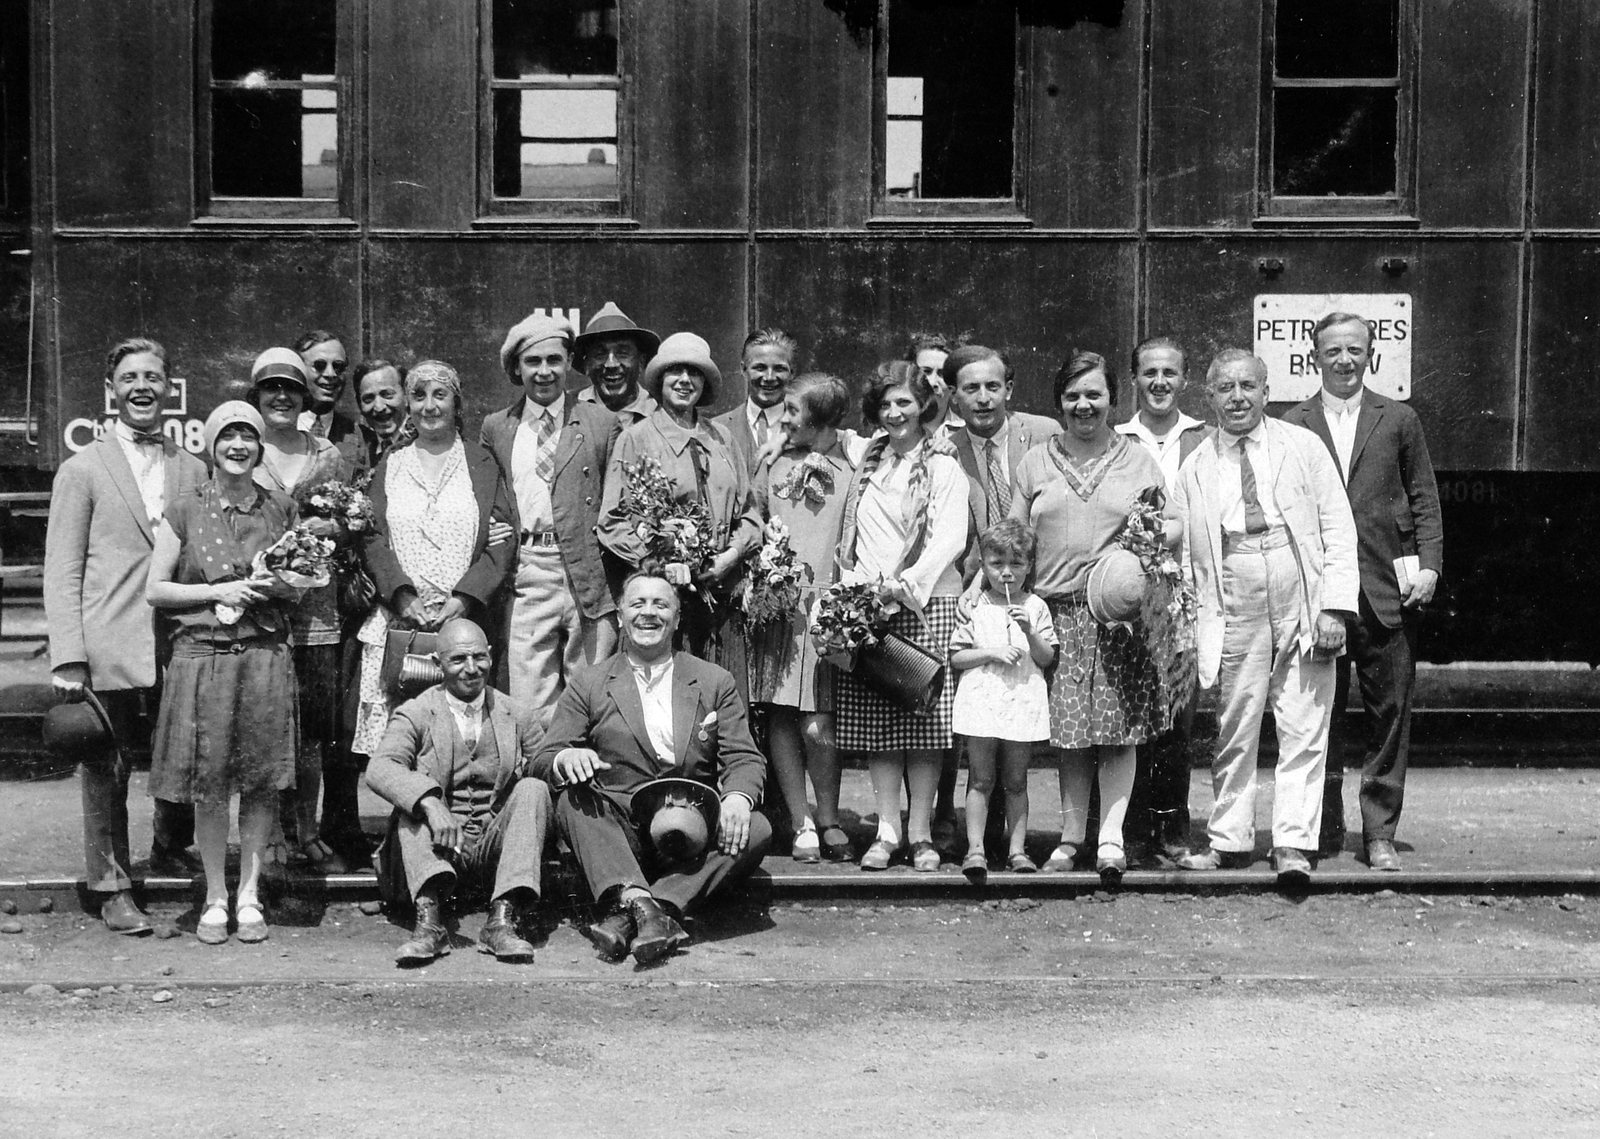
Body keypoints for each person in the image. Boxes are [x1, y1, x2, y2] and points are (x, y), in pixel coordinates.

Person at [1172, 349, 1358, 884]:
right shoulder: (1197, 465)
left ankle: (1293, 844)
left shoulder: (1303, 447)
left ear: (1265, 391)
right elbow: (1186, 553)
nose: (1237, 397)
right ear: (1208, 398)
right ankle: (1229, 841)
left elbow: (1337, 531)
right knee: (1236, 721)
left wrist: (1333, 609)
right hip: (1235, 587)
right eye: (1225, 388)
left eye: (1248, 386)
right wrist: (1191, 623)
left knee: (1305, 721)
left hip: (1298, 582)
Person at [44, 337, 206, 933]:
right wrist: (68, 656)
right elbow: (61, 570)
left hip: (183, 635)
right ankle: (110, 884)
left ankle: (171, 843)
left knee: (185, 748)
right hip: (110, 639)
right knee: (105, 765)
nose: (142, 387)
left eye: (153, 377)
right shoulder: (82, 468)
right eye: (130, 377)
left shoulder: (193, 468)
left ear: (169, 389)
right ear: (111, 391)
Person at [530, 570, 771, 964]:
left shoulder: (713, 680)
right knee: (572, 801)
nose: (649, 613)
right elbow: (542, 759)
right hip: (616, 836)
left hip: (689, 833)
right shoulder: (589, 683)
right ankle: (651, 912)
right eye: (638, 604)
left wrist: (739, 798)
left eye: (661, 605)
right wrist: (564, 757)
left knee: (756, 827)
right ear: (621, 616)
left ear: (677, 618)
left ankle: (636, 914)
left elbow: (744, 756)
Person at [1283, 312, 1443, 871]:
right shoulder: (1293, 421)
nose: (1344, 360)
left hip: (1384, 589)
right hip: (1322, 595)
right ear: (1315, 357)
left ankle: (1379, 835)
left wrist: (1430, 566)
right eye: (1333, 351)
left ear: (1369, 356)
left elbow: (1423, 496)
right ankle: (1323, 829)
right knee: (1317, 716)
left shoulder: (1399, 418)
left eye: (1355, 350)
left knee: (1389, 715)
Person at [1010, 350, 1173, 886]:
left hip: (1116, 615)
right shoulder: (1035, 461)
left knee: (1118, 732)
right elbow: (1014, 537)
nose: (1084, 405)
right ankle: (1070, 837)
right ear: (1060, 403)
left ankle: (1110, 839)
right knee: (1070, 735)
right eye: (1073, 396)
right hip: (1056, 613)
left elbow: (1172, 525)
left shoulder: (1137, 460)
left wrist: (1138, 551)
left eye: (1094, 395)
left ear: (1110, 400)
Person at [145, 402, 301, 945]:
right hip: (204, 656)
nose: (238, 445)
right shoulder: (185, 509)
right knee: (210, 787)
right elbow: (156, 589)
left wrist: (284, 586)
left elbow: (301, 578)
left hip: (262, 654)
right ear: (210, 446)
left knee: (260, 784)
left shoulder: (279, 508)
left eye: (248, 436)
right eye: (227, 436)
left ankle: (250, 895)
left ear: (260, 447)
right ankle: (215, 896)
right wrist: (218, 591)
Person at [833, 360, 969, 872]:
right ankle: (886, 830)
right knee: (880, 727)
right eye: (886, 404)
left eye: (904, 403)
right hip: (869, 609)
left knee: (924, 726)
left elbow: (950, 538)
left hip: (923, 602)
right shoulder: (870, 461)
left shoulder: (942, 465)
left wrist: (906, 584)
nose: (894, 413)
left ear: (923, 407)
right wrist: (862, 591)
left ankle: (921, 833)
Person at [350, 361, 517, 760]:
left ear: (456, 403)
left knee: (460, 740)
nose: (429, 406)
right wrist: (402, 596)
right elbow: (372, 536)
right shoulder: (392, 463)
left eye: (439, 395)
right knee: (403, 738)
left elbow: (503, 540)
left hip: (463, 623)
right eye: (419, 396)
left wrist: (463, 600)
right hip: (402, 621)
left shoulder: (481, 463)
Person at [365, 618, 553, 965]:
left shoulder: (515, 713)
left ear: (491, 656)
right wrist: (430, 802)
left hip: (491, 853)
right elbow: (380, 768)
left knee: (533, 788)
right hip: (436, 852)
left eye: (479, 658)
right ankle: (429, 925)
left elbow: (544, 763)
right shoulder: (417, 712)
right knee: (413, 799)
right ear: (437, 665)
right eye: (458, 660)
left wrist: (561, 760)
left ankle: (502, 920)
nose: (471, 669)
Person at [938, 343, 1060, 854]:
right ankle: (964, 832)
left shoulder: (1045, 434)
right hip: (979, 589)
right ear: (953, 397)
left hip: (1041, 590)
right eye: (970, 389)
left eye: (993, 387)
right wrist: (974, 584)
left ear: (1009, 389)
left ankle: (1071, 831)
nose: (983, 399)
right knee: (973, 721)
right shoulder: (944, 449)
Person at [480, 313, 622, 727]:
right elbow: (492, 495)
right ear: (516, 368)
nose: (545, 372)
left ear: (568, 363)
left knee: (590, 687)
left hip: (587, 573)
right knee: (528, 696)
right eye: (533, 362)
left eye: (554, 360)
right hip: (528, 572)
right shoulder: (497, 427)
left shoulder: (600, 422)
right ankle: (537, 786)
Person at [597, 332, 762, 661]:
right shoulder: (636, 438)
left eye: (695, 372)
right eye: (676, 371)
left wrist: (729, 556)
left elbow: (750, 516)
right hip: (665, 603)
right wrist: (658, 564)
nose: (685, 380)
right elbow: (611, 522)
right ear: (660, 379)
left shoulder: (722, 438)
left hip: (723, 601)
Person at [248, 347, 351, 874]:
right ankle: (269, 837)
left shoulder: (327, 454)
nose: (282, 397)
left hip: (315, 613)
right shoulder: (243, 449)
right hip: (260, 613)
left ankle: (307, 830)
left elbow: (350, 517)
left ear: (305, 395)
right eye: (272, 388)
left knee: (311, 731)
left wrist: (334, 528)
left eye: (292, 388)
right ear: (257, 397)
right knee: (266, 728)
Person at [749, 372, 857, 863]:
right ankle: (801, 820)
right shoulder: (771, 464)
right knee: (781, 716)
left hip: (827, 609)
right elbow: (750, 523)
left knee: (820, 723)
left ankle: (830, 814)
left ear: (821, 418)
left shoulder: (855, 464)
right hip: (779, 605)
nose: (783, 418)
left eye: (792, 411)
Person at [1116, 336, 1210, 861]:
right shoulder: (1119, 438)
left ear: (1184, 379)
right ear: (1134, 379)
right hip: (1132, 593)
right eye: (1149, 372)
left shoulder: (1205, 437)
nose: (1159, 382)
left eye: (1169, 373)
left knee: (1178, 715)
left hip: (1187, 593)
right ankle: (1128, 830)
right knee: (1130, 714)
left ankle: (1173, 828)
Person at [949, 519, 1057, 884]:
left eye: (1016, 564)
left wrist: (1028, 630)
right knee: (980, 778)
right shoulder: (974, 606)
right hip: (983, 700)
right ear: (983, 565)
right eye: (996, 565)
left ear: (1029, 566)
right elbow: (957, 657)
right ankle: (975, 848)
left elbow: (1046, 658)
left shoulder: (1036, 607)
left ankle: (1017, 850)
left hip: (1020, 700)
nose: (1007, 574)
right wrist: (992, 652)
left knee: (1015, 780)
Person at [713, 328, 797, 475]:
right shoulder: (716, 430)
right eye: (760, 368)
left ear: (792, 372)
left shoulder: (805, 429)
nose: (769, 377)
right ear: (743, 369)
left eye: (779, 369)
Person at [295, 328, 371, 480]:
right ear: (299, 371)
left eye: (338, 367)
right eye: (319, 366)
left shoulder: (360, 436)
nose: (331, 374)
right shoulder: (276, 431)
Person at [573, 302, 660, 424]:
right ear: (587, 364)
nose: (611, 364)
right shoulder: (568, 408)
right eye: (600, 354)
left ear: (640, 362)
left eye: (623, 353)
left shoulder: (659, 411)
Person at [352, 358, 411, 464]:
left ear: (406, 396)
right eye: (368, 399)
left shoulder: (423, 443)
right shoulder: (360, 450)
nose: (379, 407)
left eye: (387, 395)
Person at [907, 331, 963, 441]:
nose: (933, 382)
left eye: (942, 374)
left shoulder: (965, 434)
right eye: (926, 372)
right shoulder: (891, 431)